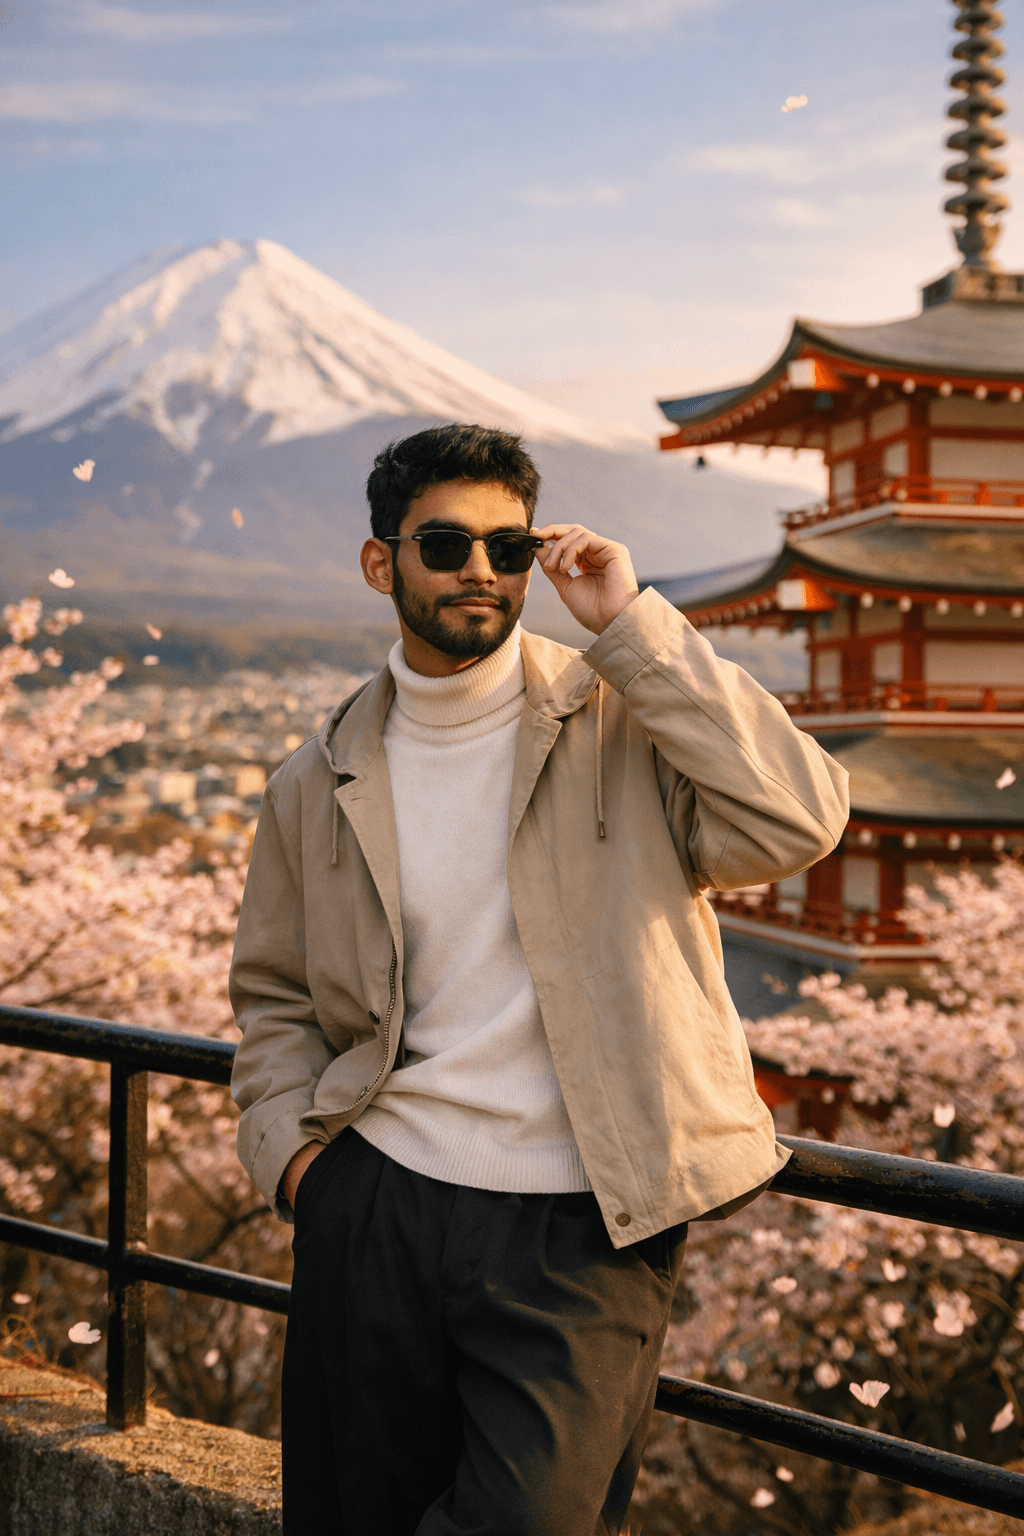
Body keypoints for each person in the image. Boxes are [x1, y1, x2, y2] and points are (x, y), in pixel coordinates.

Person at [229, 423, 849, 1536]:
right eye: (445, 543)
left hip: (586, 1217)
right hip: (375, 1198)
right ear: (383, 564)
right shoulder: (313, 780)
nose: (479, 569)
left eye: (508, 547)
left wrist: (632, 624)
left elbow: (798, 818)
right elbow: (271, 994)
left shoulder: (625, 717)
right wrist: (300, 1170)